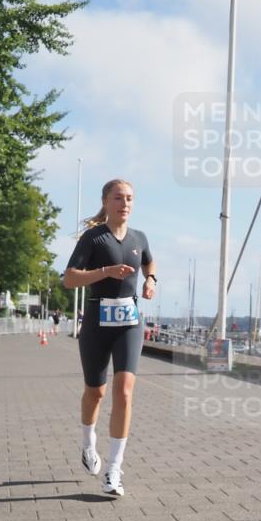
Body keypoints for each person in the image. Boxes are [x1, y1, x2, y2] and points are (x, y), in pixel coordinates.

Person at [63, 179, 155, 497]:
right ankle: (89, 445)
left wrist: (150, 280)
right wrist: (105, 271)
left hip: (129, 323)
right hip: (96, 324)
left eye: (130, 198)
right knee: (95, 393)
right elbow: (69, 279)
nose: (125, 203)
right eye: (118, 197)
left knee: (124, 391)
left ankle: (114, 470)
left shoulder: (139, 237)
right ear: (106, 201)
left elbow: (147, 260)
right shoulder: (93, 237)